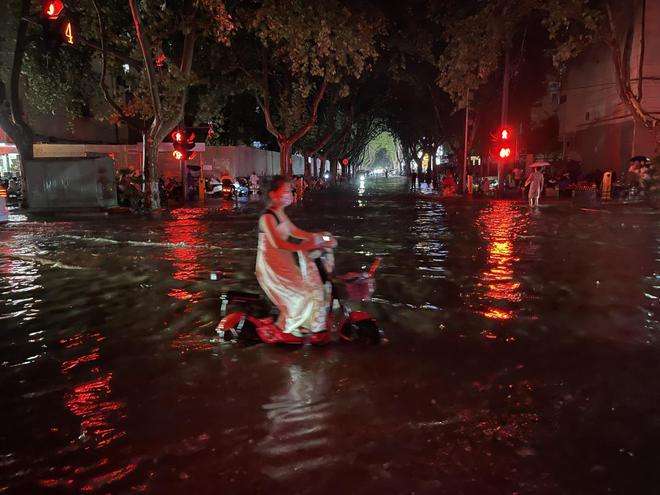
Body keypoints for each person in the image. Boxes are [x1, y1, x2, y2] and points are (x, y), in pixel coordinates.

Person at [256, 176, 337, 344]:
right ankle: (285, 330)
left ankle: (298, 326)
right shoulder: (267, 218)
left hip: (285, 262)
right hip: (271, 266)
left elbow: (298, 233)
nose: (289, 194)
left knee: (311, 289)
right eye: (285, 191)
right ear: (273, 194)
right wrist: (304, 247)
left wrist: (321, 237)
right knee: (301, 295)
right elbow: (277, 243)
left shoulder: (281, 214)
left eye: (290, 191)